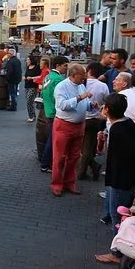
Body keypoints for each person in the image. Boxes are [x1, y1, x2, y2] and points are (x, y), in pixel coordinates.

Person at [95, 92, 135, 258]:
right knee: (120, 211)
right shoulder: (126, 123)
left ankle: (118, 252)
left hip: (120, 178)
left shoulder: (118, 129)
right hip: (125, 176)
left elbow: (132, 150)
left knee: (119, 214)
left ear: (107, 110)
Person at [50, 63, 93, 197]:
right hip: (63, 125)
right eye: (82, 75)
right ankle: (57, 184)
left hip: (79, 125)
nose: (85, 78)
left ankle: (70, 182)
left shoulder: (80, 85)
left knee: (74, 157)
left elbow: (83, 104)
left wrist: (91, 105)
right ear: (74, 75)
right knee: (60, 157)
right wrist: (80, 97)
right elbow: (62, 105)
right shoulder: (61, 87)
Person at [76, 62, 110, 182]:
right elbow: (107, 100)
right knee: (88, 147)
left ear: (88, 70)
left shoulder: (79, 83)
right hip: (95, 119)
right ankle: (93, 167)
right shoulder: (103, 86)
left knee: (82, 148)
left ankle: (81, 172)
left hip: (79, 118)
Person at [39, 56, 69, 173]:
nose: (66, 68)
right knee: (53, 140)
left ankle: (45, 162)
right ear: (58, 65)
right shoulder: (58, 79)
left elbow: (42, 93)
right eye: (65, 65)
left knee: (51, 138)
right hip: (55, 112)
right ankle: (45, 163)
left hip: (47, 110)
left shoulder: (48, 76)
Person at [24, 55, 42, 123]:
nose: (27, 61)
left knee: (29, 101)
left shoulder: (37, 68)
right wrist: (25, 78)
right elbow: (26, 75)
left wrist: (32, 78)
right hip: (27, 86)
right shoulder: (28, 67)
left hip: (33, 86)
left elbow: (40, 76)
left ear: (31, 60)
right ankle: (33, 115)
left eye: (28, 60)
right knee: (30, 102)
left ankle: (31, 116)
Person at [4, 47, 23, 111]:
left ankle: (13, 106)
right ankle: (14, 104)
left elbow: (9, 72)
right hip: (17, 78)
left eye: (8, 53)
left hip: (12, 79)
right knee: (15, 92)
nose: (8, 54)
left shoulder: (11, 61)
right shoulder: (17, 60)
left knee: (12, 93)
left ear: (11, 54)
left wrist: (7, 78)